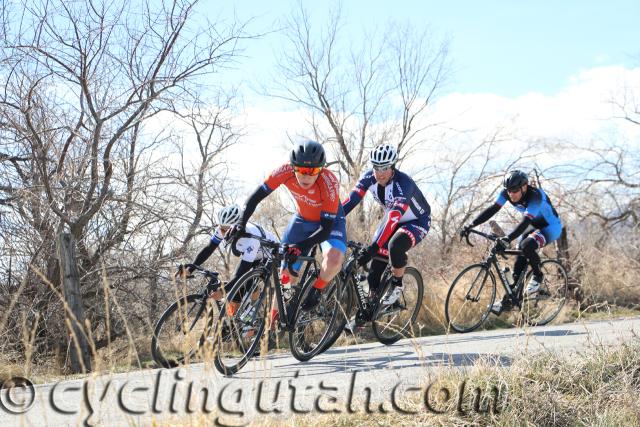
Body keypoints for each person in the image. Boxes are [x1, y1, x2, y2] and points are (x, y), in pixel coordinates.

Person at [236, 139, 347, 315]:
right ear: (293, 166)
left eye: (313, 171)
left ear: (321, 169)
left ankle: (317, 290)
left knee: (334, 259)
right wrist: (241, 224)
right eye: (301, 170)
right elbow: (255, 197)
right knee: (284, 277)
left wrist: (300, 246)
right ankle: (273, 327)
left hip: (330, 221)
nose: (306, 176)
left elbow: (325, 230)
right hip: (302, 220)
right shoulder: (283, 171)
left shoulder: (329, 182)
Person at [342, 143, 431, 324]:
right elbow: (350, 202)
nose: (380, 172)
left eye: (385, 168)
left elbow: (393, 218)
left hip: (416, 221)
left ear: (393, 167)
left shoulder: (403, 185)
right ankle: (370, 310)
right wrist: (331, 220)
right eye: (376, 167)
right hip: (392, 219)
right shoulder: (368, 177)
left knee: (394, 245)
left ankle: (397, 285)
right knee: (374, 272)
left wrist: (373, 248)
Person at [461, 169, 563, 314]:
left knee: (526, 246)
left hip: (551, 227)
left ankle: (538, 276)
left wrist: (507, 238)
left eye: (514, 190)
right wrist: (471, 225)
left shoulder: (535, 196)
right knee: (518, 260)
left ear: (524, 187)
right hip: (534, 226)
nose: (511, 194)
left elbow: (525, 221)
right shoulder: (507, 193)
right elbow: (493, 209)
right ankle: (509, 300)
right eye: (508, 190)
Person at [176, 204, 278, 315]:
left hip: (269, 254)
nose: (222, 232)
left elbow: (241, 274)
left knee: (248, 281)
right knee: (236, 293)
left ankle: (253, 312)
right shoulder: (224, 228)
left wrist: (223, 292)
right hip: (253, 253)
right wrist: (190, 268)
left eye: (225, 230)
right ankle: (232, 323)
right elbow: (209, 248)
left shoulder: (250, 238)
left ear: (236, 227)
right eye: (221, 228)